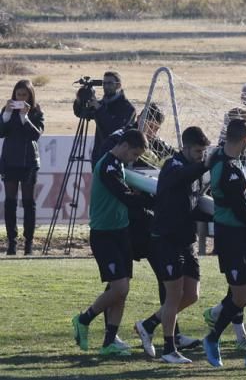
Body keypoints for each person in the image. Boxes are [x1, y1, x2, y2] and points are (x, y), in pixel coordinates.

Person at [134, 126, 213, 364]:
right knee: (174, 295)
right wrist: (207, 164)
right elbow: (183, 177)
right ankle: (169, 349)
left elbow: (193, 203)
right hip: (166, 240)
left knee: (191, 295)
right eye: (198, 151)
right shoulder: (173, 166)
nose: (201, 155)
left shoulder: (194, 170)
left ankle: (148, 325)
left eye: (204, 151)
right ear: (185, 148)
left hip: (185, 240)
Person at [201, 118, 246, 369]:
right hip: (232, 236)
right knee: (241, 295)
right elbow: (238, 208)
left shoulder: (231, 159)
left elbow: (244, 202)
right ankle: (212, 338)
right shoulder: (225, 167)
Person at [70, 130, 151, 357]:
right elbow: (124, 196)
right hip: (104, 235)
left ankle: (109, 342)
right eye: (134, 154)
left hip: (120, 232)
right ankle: (83, 319)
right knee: (120, 287)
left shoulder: (118, 164)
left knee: (120, 291)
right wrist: (153, 200)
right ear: (124, 146)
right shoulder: (108, 166)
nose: (134, 159)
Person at [0, 80, 44, 255]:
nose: (21, 98)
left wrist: (24, 117)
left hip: (29, 162)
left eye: (24, 95)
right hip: (10, 161)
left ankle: (28, 244)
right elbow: (1, 132)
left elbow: (36, 135)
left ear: (31, 95)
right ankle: (12, 243)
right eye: (18, 94)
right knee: (10, 203)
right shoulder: (7, 110)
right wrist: (7, 115)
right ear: (14, 95)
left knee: (28, 203)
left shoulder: (36, 111)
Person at [74, 71, 135, 166]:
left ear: (118, 86)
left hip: (117, 159)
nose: (106, 86)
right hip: (98, 156)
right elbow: (81, 113)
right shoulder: (102, 104)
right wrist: (80, 99)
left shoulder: (128, 108)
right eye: (104, 83)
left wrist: (98, 108)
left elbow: (115, 129)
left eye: (110, 83)